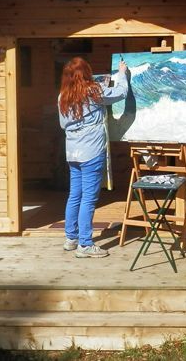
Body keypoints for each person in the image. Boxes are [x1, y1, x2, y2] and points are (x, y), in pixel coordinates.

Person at [58, 57, 129, 258]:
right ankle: (85, 245)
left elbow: (64, 125)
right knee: (88, 198)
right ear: (85, 73)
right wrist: (122, 73)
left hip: (72, 151)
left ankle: (71, 238)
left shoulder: (62, 95)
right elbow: (121, 93)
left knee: (75, 195)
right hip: (91, 151)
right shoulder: (93, 91)